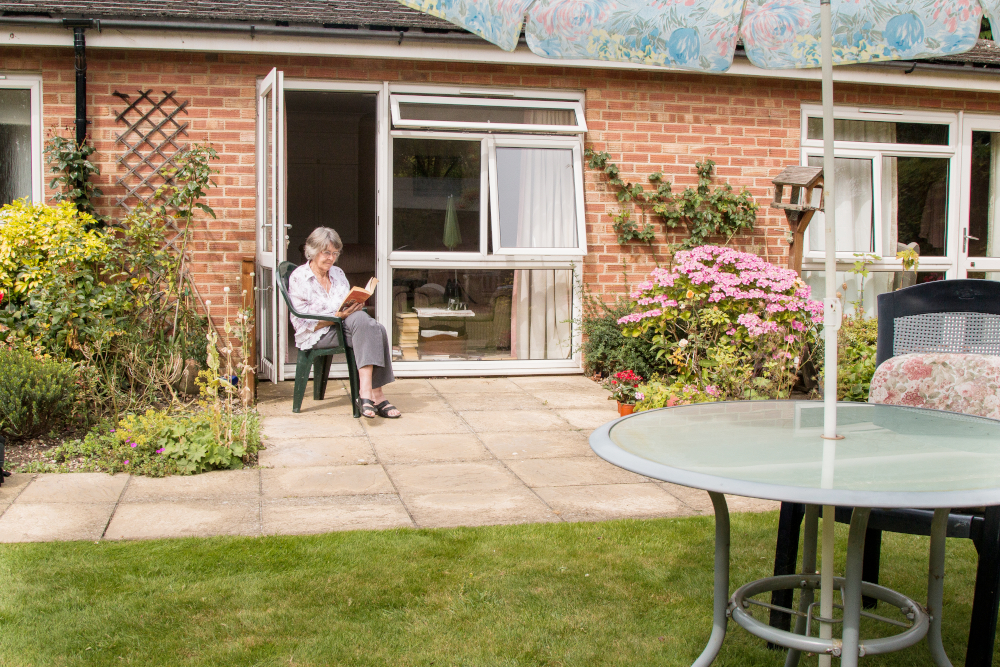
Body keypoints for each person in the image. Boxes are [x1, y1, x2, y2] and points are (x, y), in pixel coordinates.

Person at [288, 227, 400, 418]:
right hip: (316, 332)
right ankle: (375, 394)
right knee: (376, 329)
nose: (331, 258)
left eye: (334, 253)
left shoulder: (338, 273)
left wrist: (354, 305)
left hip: (342, 326)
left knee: (369, 324)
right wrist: (338, 316)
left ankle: (367, 395)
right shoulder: (300, 277)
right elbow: (303, 322)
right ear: (313, 251)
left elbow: (344, 305)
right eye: (326, 253)